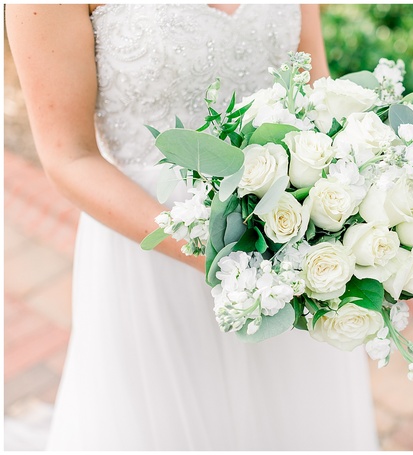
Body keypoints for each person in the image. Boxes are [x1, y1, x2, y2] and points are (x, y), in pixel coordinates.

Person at [6, 4, 379, 450]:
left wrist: (368, 208)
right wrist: (223, 258)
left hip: (293, 238)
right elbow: (68, 156)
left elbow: (316, 89)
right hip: (154, 249)